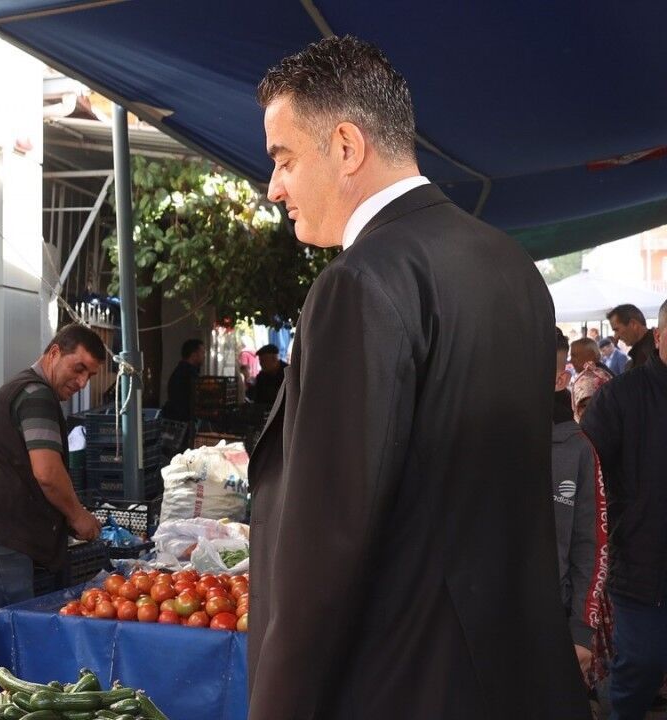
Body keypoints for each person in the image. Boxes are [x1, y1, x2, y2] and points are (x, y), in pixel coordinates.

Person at [246, 36, 590, 719]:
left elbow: (328, 546)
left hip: (400, 684)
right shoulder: (513, 266)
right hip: (516, 675)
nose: (275, 187)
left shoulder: (359, 281)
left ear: (346, 146)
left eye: (283, 159)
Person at [0, 324, 105, 636]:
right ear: (54, 353)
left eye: (90, 375)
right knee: (13, 641)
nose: (83, 382)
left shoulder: (27, 390)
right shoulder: (36, 394)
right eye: (79, 368)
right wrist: (77, 515)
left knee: (9, 638)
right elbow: (47, 473)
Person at [581, 299, 667, 719]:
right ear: (659, 337)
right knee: (640, 667)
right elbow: (586, 471)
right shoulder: (621, 396)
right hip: (641, 565)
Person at [551, 329, 603, 683]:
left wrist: (582, 631)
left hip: (554, 623)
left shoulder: (578, 450)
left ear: (560, 380)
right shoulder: (482, 438)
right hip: (485, 622)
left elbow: (593, 544)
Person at [161, 339, 205, 423]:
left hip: (178, 419)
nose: (204, 356)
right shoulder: (188, 374)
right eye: (202, 353)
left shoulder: (181, 370)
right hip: (183, 421)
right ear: (194, 355)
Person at [607, 304, 657, 371]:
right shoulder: (645, 351)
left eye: (617, 330)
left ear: (633, 324)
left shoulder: (656, 350)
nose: (616, 337)